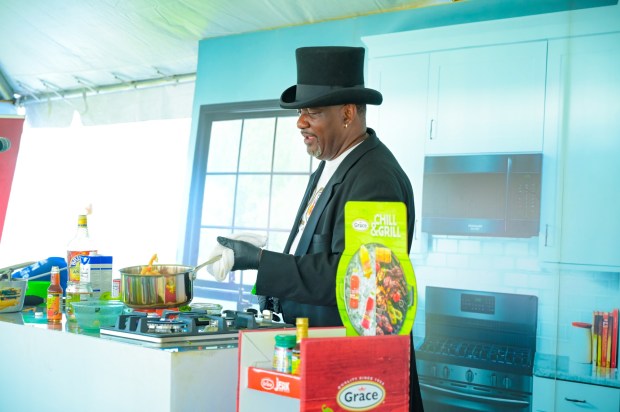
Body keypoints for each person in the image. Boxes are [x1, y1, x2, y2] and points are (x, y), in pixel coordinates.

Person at [216, 46, 424, 411]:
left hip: (359, 375)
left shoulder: (375, 178)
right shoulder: (333, 166)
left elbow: (363, 283)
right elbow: (319, 255)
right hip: (322, 357)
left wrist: (262, 263)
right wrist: (273, 291)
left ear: (347, 113)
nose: (300, 122)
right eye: (300, 112)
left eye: (312, 112)